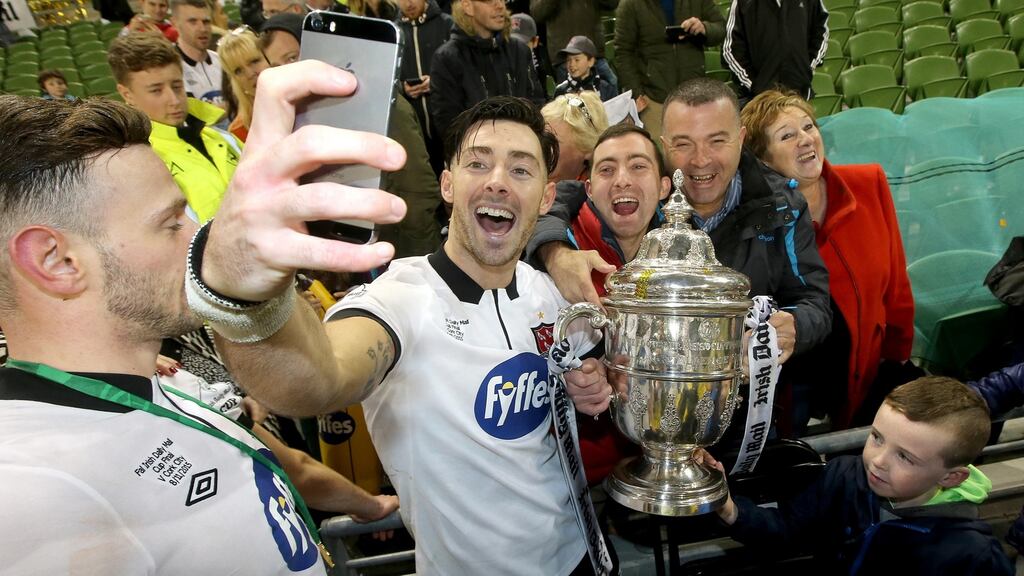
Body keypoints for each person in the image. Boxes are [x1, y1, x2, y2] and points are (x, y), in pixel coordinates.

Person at [0, 55, 412, 572]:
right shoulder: (27, 489)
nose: (201, 236)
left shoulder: (172, 386)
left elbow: (310, 388)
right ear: (56, 262)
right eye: (172, 222)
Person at [202, 96, 617, 574]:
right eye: (478, 164)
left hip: (584, 555)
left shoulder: (548, 291)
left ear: (546, 198)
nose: (498, 182)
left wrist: (594, 381)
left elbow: (602, 380)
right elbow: (314, 380)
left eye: (521, 170)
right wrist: (243, 287)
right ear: (447, 184)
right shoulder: (399, 300)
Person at [532, 77, 831, 367]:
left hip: (747, 401)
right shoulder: (647, 195)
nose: (700, 160)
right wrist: (555, 251)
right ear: (665, 145)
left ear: (739, 139)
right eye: (683, 144)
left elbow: (813, 302)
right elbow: (563, 196)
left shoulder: (781, 205)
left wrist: (794, 327)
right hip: (652, 399)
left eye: (716, 141)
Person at [702, 376, 1014, 575]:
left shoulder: (973, 557)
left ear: (951, 477)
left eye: (905, 457)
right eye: (877, 437)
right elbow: (787, 531)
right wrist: (728, 506)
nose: (877, 461)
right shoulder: (846, 475)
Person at [739, 90, 915, 430]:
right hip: (795, 376)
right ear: (763, 158)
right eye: (787, 135)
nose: (805, 140)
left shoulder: (869, 183)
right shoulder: (755, 215)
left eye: (809, 127)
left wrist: (897, 351)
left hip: (863, 368)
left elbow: (896, 281)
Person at [258, 11, 442, 258]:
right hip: (335, 250)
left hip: (397, 248)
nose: (290, 72)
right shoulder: (292, 116)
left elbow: (419, 188)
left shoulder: (384, 106)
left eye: (293, 58)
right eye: (278, 66)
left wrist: (416, 257)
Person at [110, 33, 241, 223]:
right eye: (156, 90)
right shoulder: (135, 164)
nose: (174, 100)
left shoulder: (222, 137)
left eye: (177, 86)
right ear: (127, 94)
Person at [429, 0, 545, 139]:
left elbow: (536, 105)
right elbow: (448, 125)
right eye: (490, 1)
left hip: (521, 149)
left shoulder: (519, 51)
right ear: (468, 6)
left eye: (502, 0)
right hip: (476, 154)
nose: (500, 6)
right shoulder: (447, 58)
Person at [613, 0, 724, 141]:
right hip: (654, 99)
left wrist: (704, 28)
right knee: (662, 157)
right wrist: (636, 93)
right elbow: (623, 53)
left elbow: (721, 28)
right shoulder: (631, 4)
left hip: (695, 96)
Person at [722, 0, 829, 102]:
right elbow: (731, 49)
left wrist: (806, 69)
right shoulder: (742, 2)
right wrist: (755, 85)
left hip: (800, 93)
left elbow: (821, 31)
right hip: (760, 100)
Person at [396, 0, 454, 176]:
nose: (409, 3)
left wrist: (437, 82)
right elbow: (383, 75)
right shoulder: (394, 33)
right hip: (413, 134)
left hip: (448, 128)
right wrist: (401, 88)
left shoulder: (448, 25)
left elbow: (466, 69)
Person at [529, 0, 619, 89]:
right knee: (573, 100)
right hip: (566, 58)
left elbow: (612, 3)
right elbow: (537, 13)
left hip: (594, 54)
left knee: (611, 88)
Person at [541, 91, 609, 183]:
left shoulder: (603, 192)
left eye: (553, 142)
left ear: (589, 150)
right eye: (541, 137)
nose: (542, 148)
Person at [217, 25, 269, 141]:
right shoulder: (239, 131)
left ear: (269, 57)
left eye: (254, 61)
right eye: (238, 71)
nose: (250, 74)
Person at [172, 0, 224, 106]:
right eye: (193, 22)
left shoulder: (222, 61)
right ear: (175, 24)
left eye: (206, 22)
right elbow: (195, 116)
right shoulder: (170, 66)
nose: (202, 29)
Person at [553, 35, 618, 102]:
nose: (572, 64)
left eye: (577, 60)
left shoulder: (605, 88)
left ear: (590, 61)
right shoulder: (561, 91)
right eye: (568, 60)